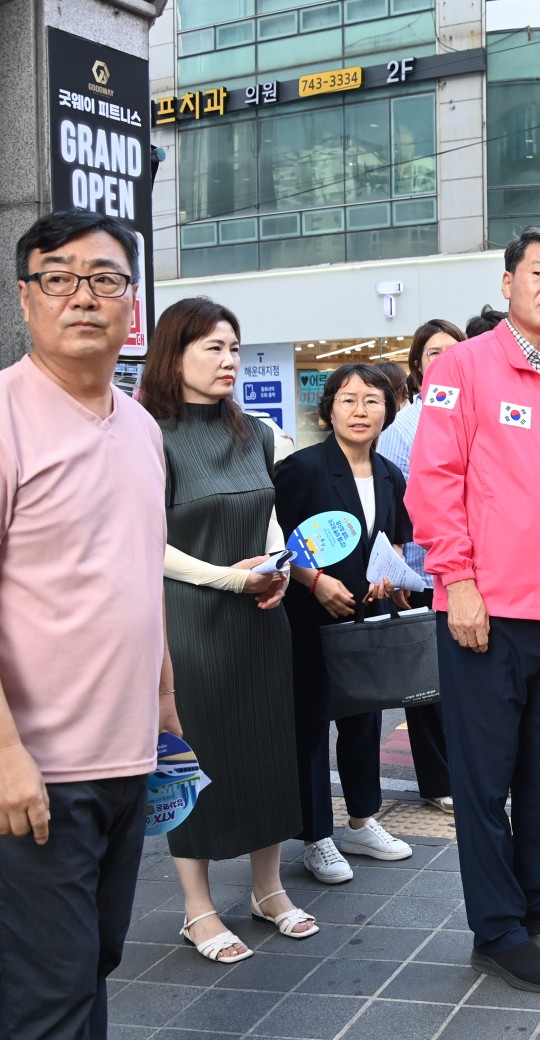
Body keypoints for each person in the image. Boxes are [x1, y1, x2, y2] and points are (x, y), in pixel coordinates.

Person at [407, 225, 540, 994]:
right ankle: (497, 929)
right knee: (485, 778)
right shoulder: (464, 367)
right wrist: (457, 580)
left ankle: (537, 894)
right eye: (538, 273)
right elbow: (433, 481)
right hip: (483, 615)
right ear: (508, 283)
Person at [0, 209, 181, 1039]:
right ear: (25, 297)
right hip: (35, 772)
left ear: (131, 303)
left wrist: (165, 703)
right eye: (59, 278)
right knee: (52, 994)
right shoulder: (7, 415)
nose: (83, 296)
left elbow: (141, 573)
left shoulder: (140, 426)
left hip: (126, 758)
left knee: (93, 962)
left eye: (105, 279)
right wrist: (6, 754)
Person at [141, 297, 314, 964]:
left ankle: (269, 890)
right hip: (190, 623)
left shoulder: (256, 433)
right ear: (174, 353)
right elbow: (146, 541)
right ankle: (198, 910)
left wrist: (275, 567)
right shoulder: (149, 436)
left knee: (269, 752)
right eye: (213, 347)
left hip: (261, 618)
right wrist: (229, 579)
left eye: (234, 348)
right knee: (198, 760)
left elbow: (269, 514)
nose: (229, 360)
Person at [274, 363, 415, 885]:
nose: (361, 411)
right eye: (348, 399)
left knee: (364, 720)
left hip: (366, 617)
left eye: (372, 400)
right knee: (310, 726)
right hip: (309, 618)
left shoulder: (389, 474)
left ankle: (360, 821)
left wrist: (387, 574)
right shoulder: (302, 469)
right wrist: (313, 582)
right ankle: (316, 836)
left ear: (387, 411)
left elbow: (393, 538)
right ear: (328, 409)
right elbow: (273, 541)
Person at [376, 324, 464, 814]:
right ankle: (438, 780)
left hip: (471, 572)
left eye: (454, 351)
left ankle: (468, 772)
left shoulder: (475, 413)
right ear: (417, 365)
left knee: (466, 682)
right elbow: (391, 511)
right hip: (421, 577)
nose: (445, 359)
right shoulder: (402, 430)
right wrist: (396, 575)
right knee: (429, 687)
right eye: (434, 353)